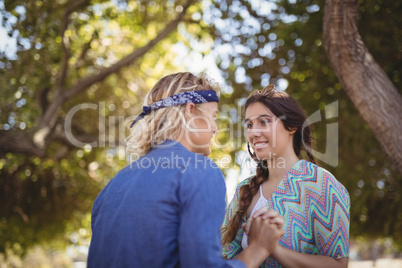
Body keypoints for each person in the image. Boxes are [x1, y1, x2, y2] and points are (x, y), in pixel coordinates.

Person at [87, 72, 285, 268]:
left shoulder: (112, 187)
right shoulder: (199, 171)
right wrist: (259, 247)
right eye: (213, 116)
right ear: (190, 110)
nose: (215, 128)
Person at [221, 85, 350, 268]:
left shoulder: (321, 184)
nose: (253, 133)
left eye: (264, 122)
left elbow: (338, 265)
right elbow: (222, 261)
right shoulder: (244, 190)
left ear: (292, 127)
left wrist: (271, 247)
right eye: (249, 124)